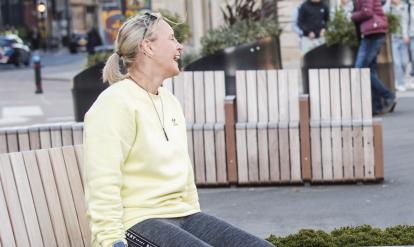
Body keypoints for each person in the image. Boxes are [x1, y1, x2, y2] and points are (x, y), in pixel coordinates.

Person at [84, 12, 275, 247]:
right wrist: (110, 240)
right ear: (148, 47)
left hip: (184, 215)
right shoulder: (115, 103)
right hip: (137, 221)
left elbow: (184, 175)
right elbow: (102, 182)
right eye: (172, 39)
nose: (180, 46)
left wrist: (198, 223)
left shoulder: (169, 101)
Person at [351, 0, 397, 114]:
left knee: (360, 69)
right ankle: (376, 107)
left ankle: (388, 96)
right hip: (372, 32)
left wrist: (352, 16)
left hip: (373, 32)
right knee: (370, 71)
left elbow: (367, 12)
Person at [384, 0, 409, 92]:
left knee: (404, 62)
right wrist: (388, 3)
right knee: (397, 63)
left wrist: (407, 35)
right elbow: (383, 13)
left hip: (403, 38)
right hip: (393, 39)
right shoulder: (388, 7)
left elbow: (407, 22)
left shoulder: (405, 7)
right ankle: (400, 83)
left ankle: (400, 78)